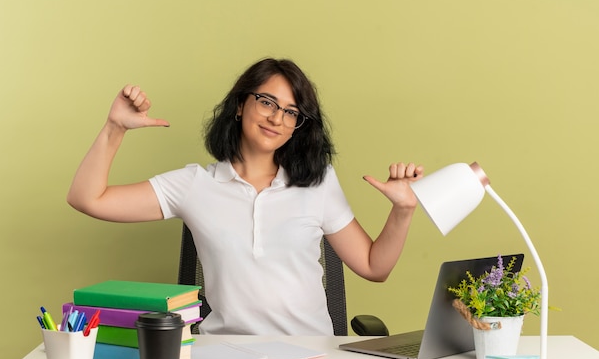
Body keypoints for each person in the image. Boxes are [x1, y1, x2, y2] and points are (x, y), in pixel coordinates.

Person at [67, 58, 424, 335]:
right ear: (240, 105)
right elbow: (88, 198)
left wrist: (403, 210)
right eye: (267, 102)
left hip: (311, 357)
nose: (277, 118)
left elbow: (375, 267)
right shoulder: (194, 185)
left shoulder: (318, 182)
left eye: (291, 112)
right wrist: (115, 127)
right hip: (224, 356)